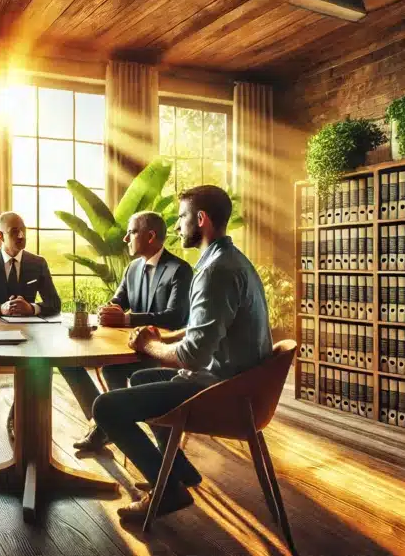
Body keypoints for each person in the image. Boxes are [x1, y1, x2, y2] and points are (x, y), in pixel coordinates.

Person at [92, 185, 272, 524]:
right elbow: (206, 328)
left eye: (182, 217)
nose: (176, 226)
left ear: (201, 220)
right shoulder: (229, 260)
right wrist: (161, 336)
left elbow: (191, 356)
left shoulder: (216, 271)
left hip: (223, 390)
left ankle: (170, 491)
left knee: (106, 408)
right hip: (237, 380)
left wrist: (148, 345)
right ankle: (177, 472)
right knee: (140, 376)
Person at [60, 211, 193, 452]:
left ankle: (111, 428)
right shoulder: (132, 268)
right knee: (77, 364)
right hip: (131, 346)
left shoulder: (179, 270)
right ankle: (107, 425)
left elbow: (175, 317)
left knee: (113, 370)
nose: (125, 238)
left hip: (163, 351)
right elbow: (118, 301)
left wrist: (127, 318)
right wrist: (108, 310)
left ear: (150, 236)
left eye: (131, 232)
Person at [0, 211, 61, 447]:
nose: (21, 235)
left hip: (28, 339)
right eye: (14, 231)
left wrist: (33, 308)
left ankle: (17, 416)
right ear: (0, 236)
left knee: (43, 359)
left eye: (23, 230)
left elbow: (55, 304)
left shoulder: (38, 263)